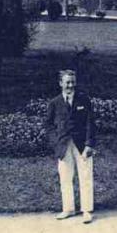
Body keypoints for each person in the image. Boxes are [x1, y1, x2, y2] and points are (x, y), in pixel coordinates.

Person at [43, 70, 97, 224]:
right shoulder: (54, 103)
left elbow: (90, 123)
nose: (71, 85)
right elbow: (48, 125)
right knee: (65, 178)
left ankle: (86, 210)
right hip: (63, 145)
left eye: (73, 82)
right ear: (60, 83)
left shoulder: (84, 100)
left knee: (85, 176)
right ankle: (68, 209)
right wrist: (55, 142)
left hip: (82, 145)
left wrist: (89, 145)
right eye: (67, 82)